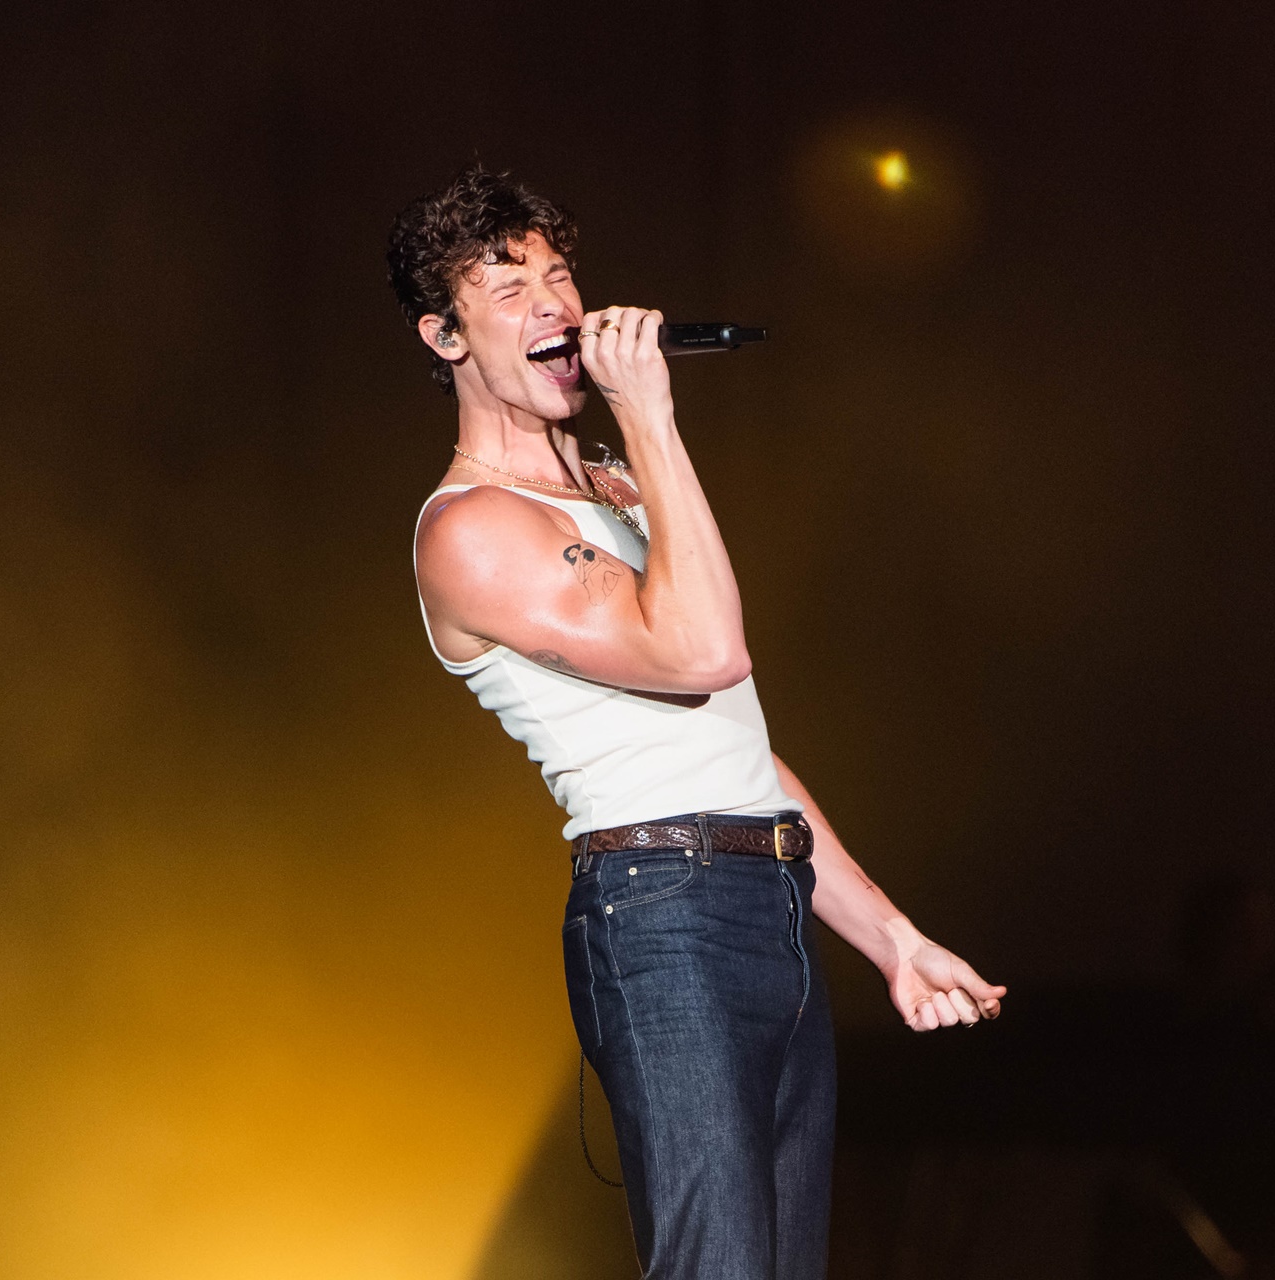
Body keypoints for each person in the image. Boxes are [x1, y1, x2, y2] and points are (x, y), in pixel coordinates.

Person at [388, 163, 1005, 1280]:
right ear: (445, 335)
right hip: (661, 910)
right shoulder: (470, 528)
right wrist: (651, 418)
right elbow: (704, 652)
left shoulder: (620, 487)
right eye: (510, 289)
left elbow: (737, 750)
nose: (555, 305)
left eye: (560, 277)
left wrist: (893, 940)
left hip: (767, 894)